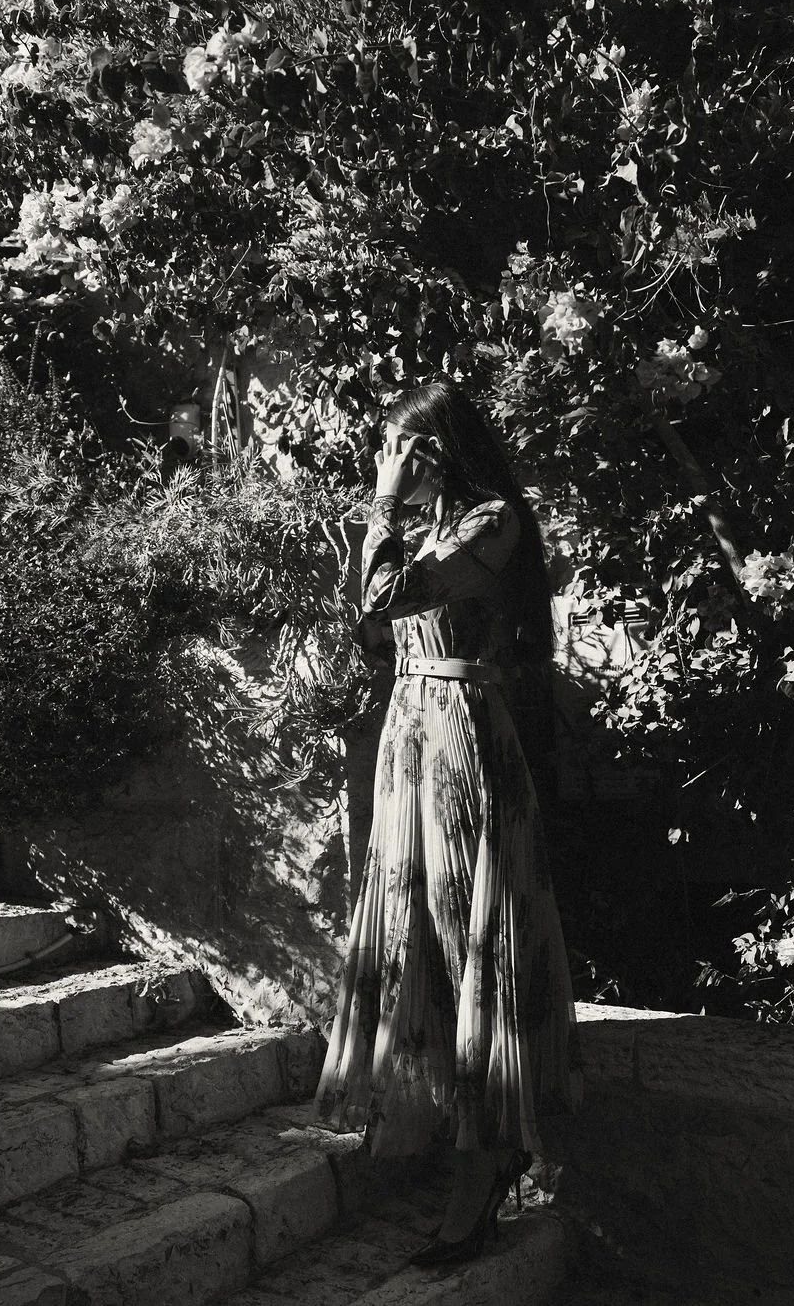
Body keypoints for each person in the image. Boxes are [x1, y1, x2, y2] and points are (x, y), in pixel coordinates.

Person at [312, 379, 581, 1267]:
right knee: (416, 932)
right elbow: (367, 608)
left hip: (466, 735)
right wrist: (390, 512)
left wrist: (383, 504)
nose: (392, 464)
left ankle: (485, 1166)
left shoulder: (491, 522)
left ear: (441, 449)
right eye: (388, 450)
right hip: (409, 737)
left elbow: (388, 596)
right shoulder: (422, 529)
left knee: (478, 945)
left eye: (406, 448)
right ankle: (457, 1138)